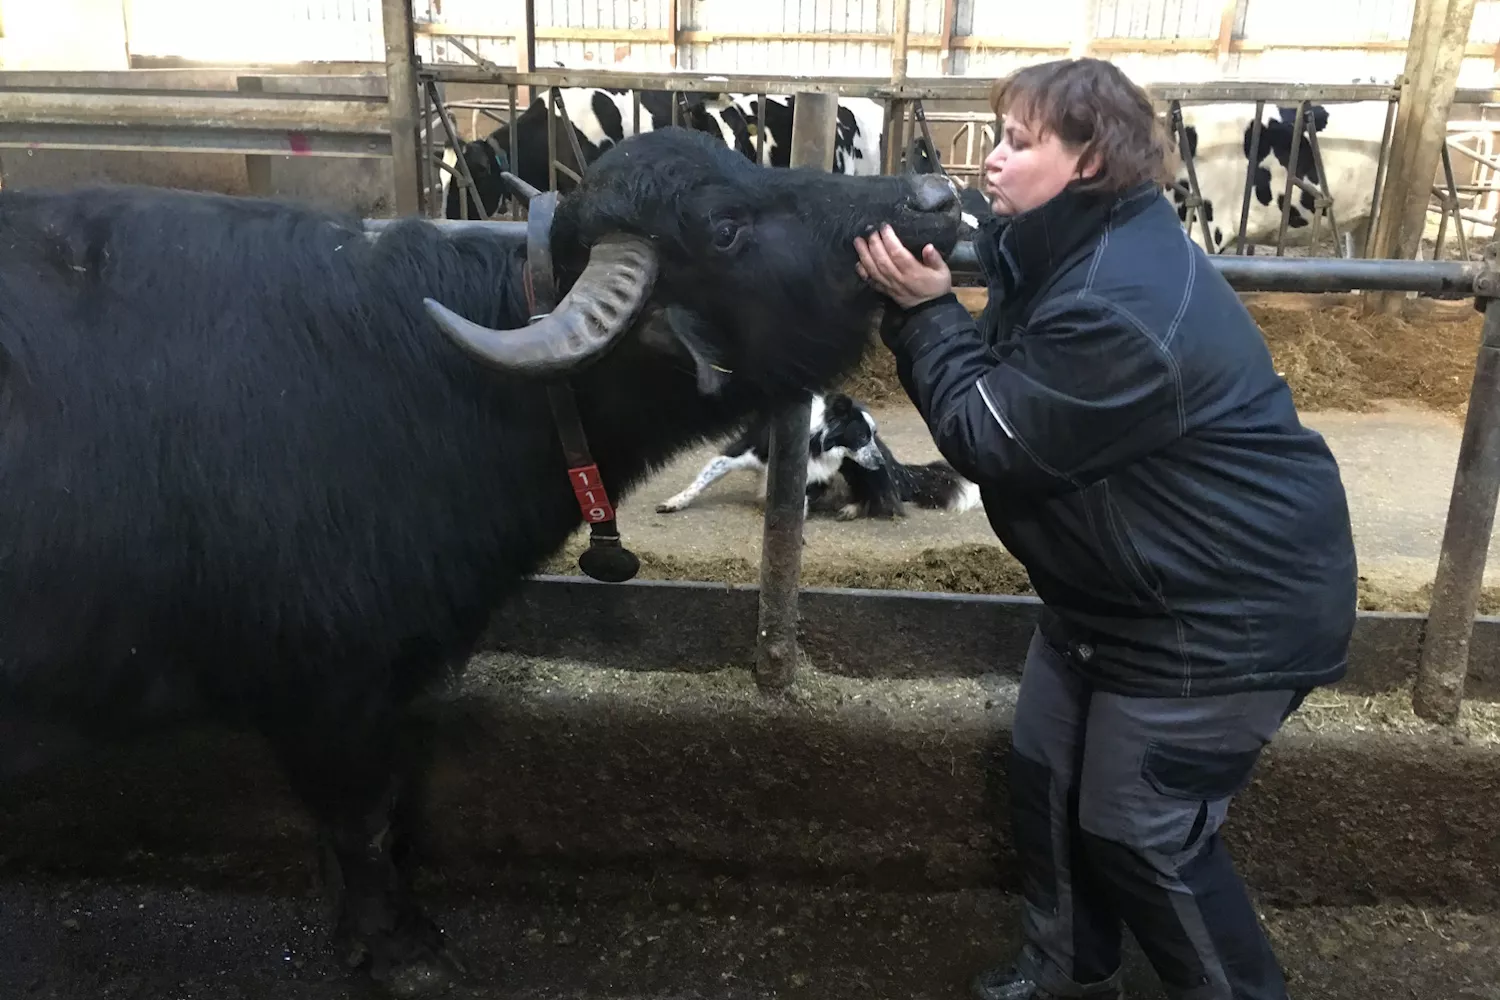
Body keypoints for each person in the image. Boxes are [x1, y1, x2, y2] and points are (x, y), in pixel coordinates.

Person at [853, 57, 1358, 1000]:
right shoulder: (1065, 252)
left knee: (1141, 831)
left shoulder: (1119, 303)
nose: (989, 162)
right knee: (1045, 782)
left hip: (1220, 615)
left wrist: (926, 318)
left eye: (1016, 141)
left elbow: (994, 435)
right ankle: (1067, 975)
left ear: (1086, 163)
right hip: (1117, 593)